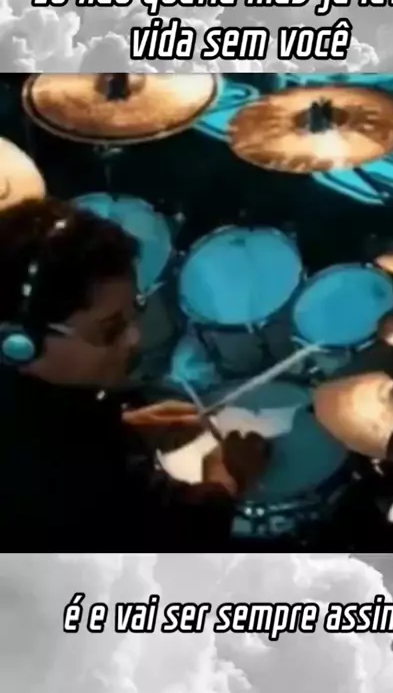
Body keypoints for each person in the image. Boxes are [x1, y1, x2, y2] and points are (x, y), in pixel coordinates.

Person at [0, 197, 270, 550]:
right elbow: (180, 531)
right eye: (110, 329)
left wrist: (131, 429)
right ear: (20, 344)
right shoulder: (68, 480)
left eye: (135, 309)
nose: (134, 337)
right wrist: (228, 478)